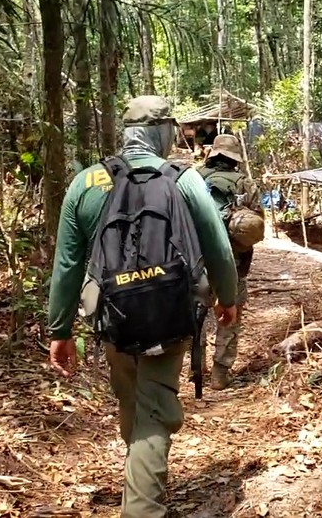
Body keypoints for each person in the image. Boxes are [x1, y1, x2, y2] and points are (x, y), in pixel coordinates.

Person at [46, 96, 239, 518]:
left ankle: (141, 476)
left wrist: (59, 331)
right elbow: (219, 248)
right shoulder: (183, 180)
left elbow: (66, 265)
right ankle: (142, 508)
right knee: (154, 407)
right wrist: (229, 299)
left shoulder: (87, 183)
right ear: (163, 132)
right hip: (169, 314)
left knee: (131, 398)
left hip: (112, 316)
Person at [199, 134, 263, 389]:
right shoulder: (246, 184)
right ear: (235, 158)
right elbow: (257, 228)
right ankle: (220, 374)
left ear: (212, 154)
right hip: (232, 263)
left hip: (196, 262)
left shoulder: (193, 179)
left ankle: (197, 366)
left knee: (197, 315)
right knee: (230, 317)